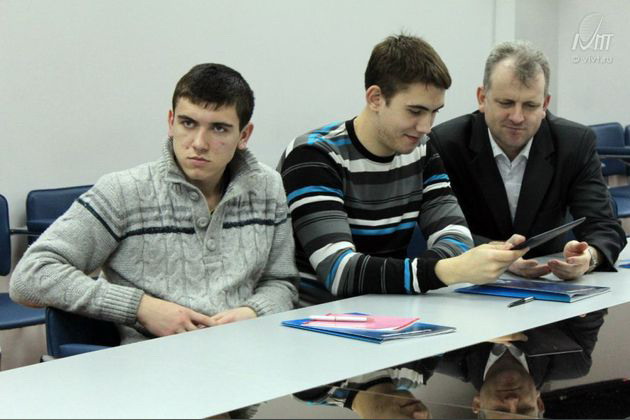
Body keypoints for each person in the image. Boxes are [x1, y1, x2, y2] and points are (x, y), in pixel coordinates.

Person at [279, 33, 527, 419]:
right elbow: (340, 272)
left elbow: (455, 235)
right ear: (375, 98)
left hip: (392, 322)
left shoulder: (421, 150)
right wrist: (446, 270)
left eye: (434, 112)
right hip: (314, 334)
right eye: (415, 111)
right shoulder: (313, 155)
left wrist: (447, 265)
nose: (426, 126)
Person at [10, 63, 298, 346]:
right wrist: (140, 307)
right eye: (188, 123)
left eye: (219, 128)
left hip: (245, 351)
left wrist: (254, 312)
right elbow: (31, 275)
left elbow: (281, 282)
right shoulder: (124, 191)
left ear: (244, 135)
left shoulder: (267, 187)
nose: (199, 143)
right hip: (151, 361)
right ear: (171, 122)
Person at [430, 41, 627, 281]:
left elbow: (604, 225)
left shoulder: (574, 143)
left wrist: (589, 258)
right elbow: (439, 229)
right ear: (482, 98)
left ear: (545, 105)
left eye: (530, 105)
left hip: (550, 281)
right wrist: (501, 256)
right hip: (471, 283)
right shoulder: (447, 143)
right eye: (506, 103)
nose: (517, 117)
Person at [437, 310, 606, 418]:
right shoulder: (571, 361)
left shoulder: (440, 358)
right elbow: (592, 311)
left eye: (500, 410)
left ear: (477, 404)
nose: (512, 400)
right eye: (524, 409)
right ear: (538, 403)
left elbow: (426, 303)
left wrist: (473, 332)